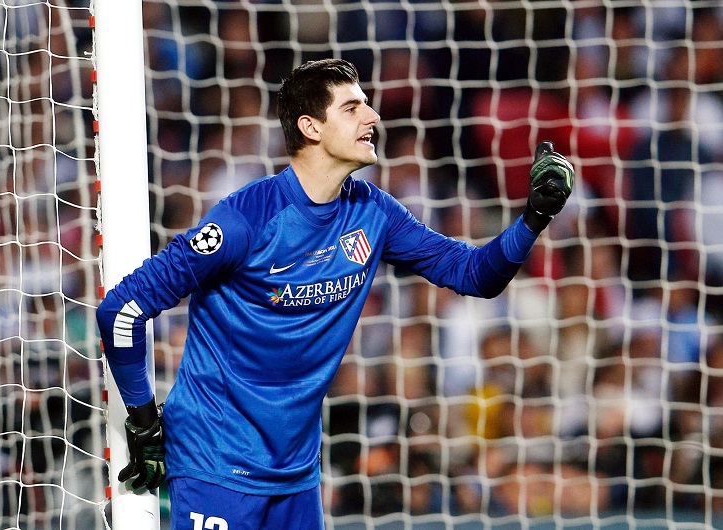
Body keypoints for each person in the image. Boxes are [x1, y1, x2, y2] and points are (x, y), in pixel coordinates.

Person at [96, 58, 574, 529]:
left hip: (296, 475)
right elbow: (121, 310)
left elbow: (474, 275)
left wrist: (534, 217)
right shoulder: (245, 220)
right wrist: (143, 419)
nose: (373, 116)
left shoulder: (373, 212)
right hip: (216, 465)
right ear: (311, 128)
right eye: (352, 108)